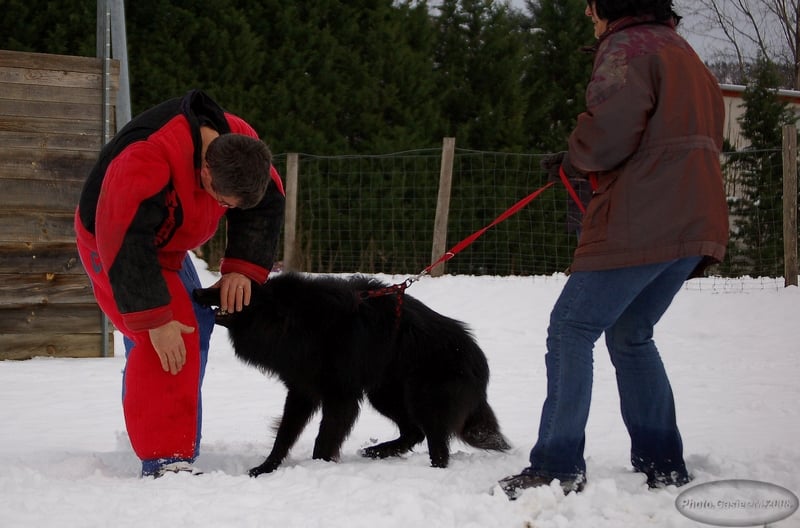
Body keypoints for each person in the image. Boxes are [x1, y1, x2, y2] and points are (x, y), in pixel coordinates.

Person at [499, 0, 729, 498]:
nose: (587, 12)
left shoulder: (628, 47)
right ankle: (662, 461)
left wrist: (575, 156)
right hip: (698, 213)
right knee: (630, 333)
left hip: (644, 215)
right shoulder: (682, 51)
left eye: (591, 3)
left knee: (571, 327)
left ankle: (557, 464)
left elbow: (609, 131)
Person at [75, 89, 285, 477]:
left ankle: (164, 421)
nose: (229, 212)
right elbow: (124, 239)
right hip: (114, 242)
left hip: (165, 245)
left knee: (196, 322)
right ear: (205, 172)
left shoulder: (239, 141)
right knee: (168, 340)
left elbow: (266, 201)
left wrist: (243, 266)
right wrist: (154, 319)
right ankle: (165, 461)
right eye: (226, 203)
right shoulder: (148, 155)